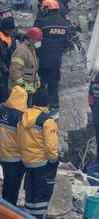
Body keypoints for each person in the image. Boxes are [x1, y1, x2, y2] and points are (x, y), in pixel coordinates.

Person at [17, 90, 59, 219]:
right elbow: (51, 146)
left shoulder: (23, 117)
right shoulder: (47, 121)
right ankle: (39, 216)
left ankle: (28, 215)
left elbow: (18, 138)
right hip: (42, 164)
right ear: (47, 104)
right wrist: (54, 160)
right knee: (43, 193)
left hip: (26, 161)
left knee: (31, 192)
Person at [34, 0, 75, 114]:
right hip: (56, 61)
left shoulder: (42, 23)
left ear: (47, 8)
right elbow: (68, 44)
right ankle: (54, 109)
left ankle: (37, 108)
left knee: (40, 85)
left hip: (42, 60)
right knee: (53, 85)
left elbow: (34, 38)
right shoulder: (64, 24)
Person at [0, 84, 27, 205]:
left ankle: (4, 208)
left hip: (2, 156)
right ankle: (10, 211)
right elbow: (24, 140)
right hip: (15, 159)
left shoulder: (1, 109)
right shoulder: (21, 117)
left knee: (6, 183)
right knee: (13, 188)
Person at [9, 27, 42, 94]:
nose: (39, 42)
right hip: (19, 91)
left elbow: (31, 68)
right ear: (31, 39)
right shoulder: (21, 51)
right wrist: (24, 86)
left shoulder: (31, 49)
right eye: (37, 40)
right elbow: (15, 71)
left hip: (27, 89)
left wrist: (36, 78)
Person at [0, 16, 16, 103]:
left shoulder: (9, 36)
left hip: (8, 64)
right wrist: (5, 68)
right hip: (3, 66)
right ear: (6, 29)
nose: (12, 32)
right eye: (11, 30)